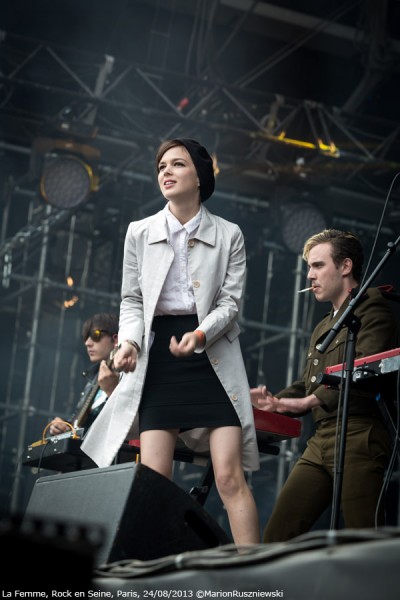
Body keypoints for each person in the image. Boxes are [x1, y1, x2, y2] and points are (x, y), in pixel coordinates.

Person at [82, 138, 260, 545]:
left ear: (200, 176)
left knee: (230, 477)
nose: (165, 171)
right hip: (159, 357)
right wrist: (128, 343)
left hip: (211, 353)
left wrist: (198, 335)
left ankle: (255, 574)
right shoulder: (139, 232)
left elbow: (230, 304)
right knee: (154, 481)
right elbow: (131, 299)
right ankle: (155, 577)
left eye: (177, 164)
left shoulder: (230, 234)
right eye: (161, 165)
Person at [251, 229, 398, 542]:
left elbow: (362, 369)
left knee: (364, 540)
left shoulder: (373, 309)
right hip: (322, 439)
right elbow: (309, 384)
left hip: (360, 433)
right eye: (309, 268)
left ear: (345, 267)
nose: (310, 276)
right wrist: (273, 403)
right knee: (278, 535)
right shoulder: (323, 325)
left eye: (318, 266)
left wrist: (306, 403)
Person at [48, 312, 120, 437]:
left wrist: (112, 390)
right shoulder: (92, 378)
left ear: (115, 339)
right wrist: (64, 426)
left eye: (95, 335)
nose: (87, 343)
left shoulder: (128, 374)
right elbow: (78, 423)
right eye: (86, 337)